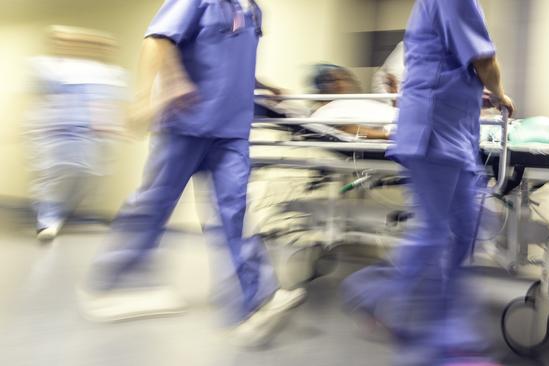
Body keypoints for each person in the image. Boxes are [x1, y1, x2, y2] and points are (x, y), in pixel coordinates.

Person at [79, 0, 305, 347]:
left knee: (234, 212)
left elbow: (233, 65)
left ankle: (254, 303)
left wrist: (267, 89)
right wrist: (155, 91)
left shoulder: (254, 12)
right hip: (186, 123)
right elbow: (158, 39)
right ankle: (112, 283)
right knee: (154, 204)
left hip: (231, 132)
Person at [342, 1, 514, 365]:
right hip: (432, 132)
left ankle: (439, 326)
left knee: (468, 228)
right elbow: (484, 60)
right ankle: (418, 327)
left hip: (454, 134)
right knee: (437, 234)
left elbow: (446, 63)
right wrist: (499, 92)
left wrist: (476, 92)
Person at [27, 26, 127, 242]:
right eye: (62, 41)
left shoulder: (97, 70)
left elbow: (106, 102)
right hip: (54, 132)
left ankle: (61, 213)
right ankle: (47, 221)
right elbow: (39, 99)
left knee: (88, 175)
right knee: (52, 177)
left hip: (87, 133)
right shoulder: (46, 66)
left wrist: (114, 127)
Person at [311, 64, 395, 140]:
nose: (340, 84)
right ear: (322, 87)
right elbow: (349, 130)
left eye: (345, 78)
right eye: (334, 80)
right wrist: (386, 135)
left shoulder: (351, 102)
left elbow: (389, 113)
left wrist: (394, 96)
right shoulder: (326, 111)